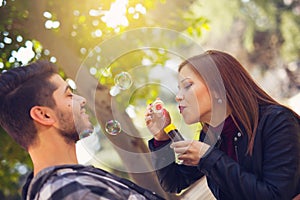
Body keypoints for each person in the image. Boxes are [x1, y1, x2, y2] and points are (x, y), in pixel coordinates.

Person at [145, 50, 300, 200]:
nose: (178, 97)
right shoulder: (211, 136)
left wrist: (208, 157)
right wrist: (161, 137)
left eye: (187, 86)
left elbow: (275, 195)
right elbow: (175, 182)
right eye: (179, 90)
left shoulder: (277, 122)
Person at [0, 61, 164, 200]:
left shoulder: (69, 183)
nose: (82, 100)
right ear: (44, 115)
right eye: (69, 95)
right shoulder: (72, 191)